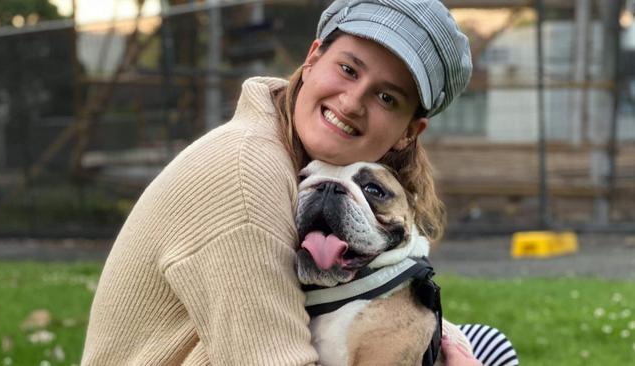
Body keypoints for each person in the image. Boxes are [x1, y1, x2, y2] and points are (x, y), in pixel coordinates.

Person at [81, 1, 507, 365]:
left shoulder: (295, 149)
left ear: (408, 132)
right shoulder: (245, 180)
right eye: (347, 69)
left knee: (488, 344)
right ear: (313, 57)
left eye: (386, 97)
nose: (353, 101)